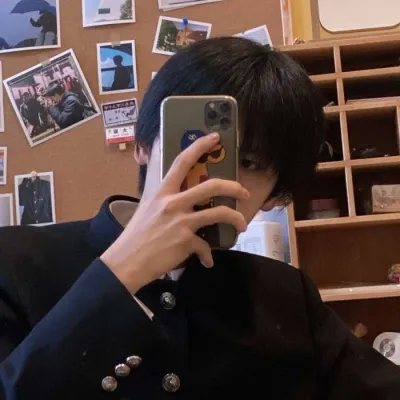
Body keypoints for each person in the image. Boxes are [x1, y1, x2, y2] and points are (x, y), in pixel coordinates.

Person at [0, 37, 398, 399]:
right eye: (193, 144)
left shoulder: (286, 296)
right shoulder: (15, 264)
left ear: (274, 196)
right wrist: (121, 272)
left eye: (249, 162)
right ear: (143, 144)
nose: (211, 176)